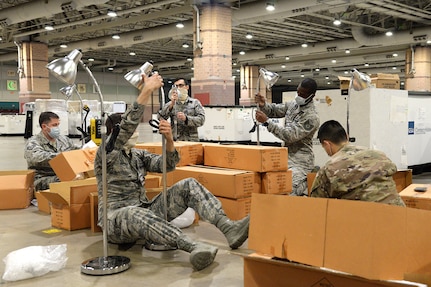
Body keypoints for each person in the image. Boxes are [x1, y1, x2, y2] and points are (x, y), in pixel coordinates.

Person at [94, 73, 249, 271]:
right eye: (130, 132)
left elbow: (166, 166)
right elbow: (125, 127)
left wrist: (169, 140)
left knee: (189, 184)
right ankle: (193, 246)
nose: (135, 133)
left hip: (144, 210)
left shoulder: (137, 154)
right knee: (134, 212)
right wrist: (146, 91)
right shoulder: (106, 154)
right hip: (116, 221)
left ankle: (229, 227)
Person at [310, 120, 405, 206]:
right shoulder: (378, 154)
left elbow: (316, 204)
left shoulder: (329, 168)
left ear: (327, 144)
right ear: (347, 136)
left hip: (364, 219)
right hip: (398, 214)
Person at [255, 78, 320, 196]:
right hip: (285, 158)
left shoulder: (311, 117)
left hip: (301, 164)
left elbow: (289, 135)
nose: (299, 96)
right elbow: (275, 110)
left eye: (303, 94)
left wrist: (267, 122)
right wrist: (263, 105)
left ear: (312, 95)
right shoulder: (293, 105)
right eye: (298, 92)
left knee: (289, 193)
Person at [24, 111, 80, 191]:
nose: (57, 128)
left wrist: (87, 149)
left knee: (83, 177)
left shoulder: (63, 139)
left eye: (58, 125)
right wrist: (62, 156)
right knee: (67, 180)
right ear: (44, 126)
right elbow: (36, 158)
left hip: (63, 174)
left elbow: (75, 149)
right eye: (54, 125)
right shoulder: (34, 142)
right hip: (42, 178)